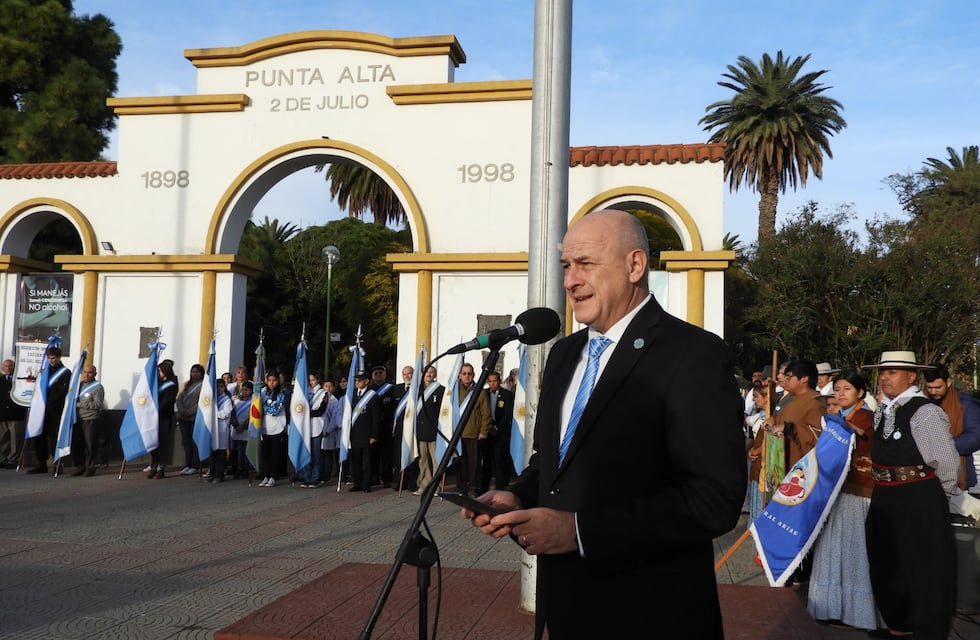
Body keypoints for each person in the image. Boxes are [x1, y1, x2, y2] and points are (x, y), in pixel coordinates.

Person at [463, 209, 746, 638]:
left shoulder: (693, 355)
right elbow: (551, 459)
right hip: (567, 607)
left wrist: (578, 531)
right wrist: (517, 495)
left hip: (651, 614)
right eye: (565, 266)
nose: (569, 281)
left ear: (635, 266)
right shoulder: (564, 354)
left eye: (585, 264)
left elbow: (714, 500)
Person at [862, 350, 959, 639]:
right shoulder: (883, 409)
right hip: (885, 494)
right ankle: (898, 625)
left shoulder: (925, 411)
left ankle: (927, 629)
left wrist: (933, 497)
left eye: (892, 372)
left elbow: (946, 461)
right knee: (887, 560)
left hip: (917, 495)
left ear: (911, 375)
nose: (884, 377)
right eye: (883, 371)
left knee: (922, 564)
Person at [806, 370, 882, 631]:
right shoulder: (839, 417)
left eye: (846, 389)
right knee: (832, 547)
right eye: (837, 389)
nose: (839, 394)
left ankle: (857, 612)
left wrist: (850, 431)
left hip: (859, 491)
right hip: (836, 491)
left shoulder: (868, 418)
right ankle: (831, 606)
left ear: (861, 392)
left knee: (854, 550)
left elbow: (868, 447)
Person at [923, 362, 980, 491]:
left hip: (960, 478)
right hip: (927, 477)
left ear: (948, 382)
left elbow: (976, 437)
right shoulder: (922, 403)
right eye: (929, 388)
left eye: (938, 387)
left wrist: (942, 446)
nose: (933, 392)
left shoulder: (965, 404)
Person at [28, 346, 71, 474]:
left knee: (54, 437)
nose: (51, 361)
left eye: (53, 358)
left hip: (55, 410)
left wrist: (49, 400)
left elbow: (63, 391)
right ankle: (41, 463)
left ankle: (57, 463)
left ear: (58, 358)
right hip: (42, 410)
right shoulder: (44, 372)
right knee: (39, 436)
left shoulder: (65, 372)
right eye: (49, 358)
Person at [455, 362, 491, 497]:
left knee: (474, 464)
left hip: (473, 433)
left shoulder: (479, 392)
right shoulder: (454, 392)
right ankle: (461, 487)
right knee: (460, 462)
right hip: (458, 434)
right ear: (459, 376)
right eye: (464, 374)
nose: (467, 376)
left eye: (469, 373)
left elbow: (485, 413)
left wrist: (483, 431)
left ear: (473, 375)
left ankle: (473, 488)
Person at [481, 370, 514, 492]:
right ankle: (484, 487)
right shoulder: (484, 393)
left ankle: (500, 486)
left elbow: (507, 414)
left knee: (499, 459)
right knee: (487, 460)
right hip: (487, 429)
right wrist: (488, 427)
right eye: (490, 381)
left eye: (494, 381)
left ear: (499, 381)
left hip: (501, 431)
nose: (492, 384)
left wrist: (497, 427)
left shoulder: (507, 395)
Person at [348, 369, 380, 492]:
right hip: (355, 433)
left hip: (367, 434)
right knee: (356, 460)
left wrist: (374, 435)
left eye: (359, 380)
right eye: (356, 380)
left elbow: (376, 418)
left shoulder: (372, 396)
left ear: (366, 381)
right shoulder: (353, 395)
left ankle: (367, 484)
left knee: (367, 462)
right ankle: (357, 483)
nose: (357, 382)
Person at [70, 363, 104, 477]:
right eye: (84, 372)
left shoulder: (98, 387)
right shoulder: (78, 386)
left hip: (90, 419)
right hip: (77, 418)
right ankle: (80, 466)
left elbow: (98, 404)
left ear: (95, 374)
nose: (86, 375)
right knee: (77, 444)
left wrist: (82, 404)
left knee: (90, 444)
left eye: (89, 373)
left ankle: (90, 467)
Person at [414, 365, 444, 495]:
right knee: (423, 460)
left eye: (432, 372)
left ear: (435, 374)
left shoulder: (440, 390)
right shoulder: (416, 389)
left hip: (434, 430)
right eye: (427, 372)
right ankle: (424, 485)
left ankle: (436, 487)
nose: (429, 374)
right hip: (420, 430)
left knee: (436, 460)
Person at [148, 360, 178, 478]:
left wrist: (156, 411)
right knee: (152, 442)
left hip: (164, 416)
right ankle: (153, 464)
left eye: (160, 371)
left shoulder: (171, 384)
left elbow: (167, 401)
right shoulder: (157, 383)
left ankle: (161, 467)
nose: (158, 373)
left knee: (163, 442)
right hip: (152, 417)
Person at [258, 371, 287, 487]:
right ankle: (265, 475)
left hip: (277, 427)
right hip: (264, 427)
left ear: (278, 381)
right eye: (269, 380)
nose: (271, 383)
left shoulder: (282, 393)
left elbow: (276, 410)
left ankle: (273, 476)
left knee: (275, 453)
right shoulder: (263, 392)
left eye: (274, 380)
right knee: (265, 453)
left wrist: (264, 407)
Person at [175, 364, 204, 475]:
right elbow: (179, 398)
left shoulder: (203, 386)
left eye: (197, 372)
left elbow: (201, 402)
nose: (195, 374)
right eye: (193, 371)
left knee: (194, 441)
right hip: (183, 417)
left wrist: (190, 411)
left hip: (194, 417)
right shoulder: (186, 384)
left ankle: (194, 465)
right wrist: (182, 410)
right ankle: (187, 464)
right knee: (186, 442)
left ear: (201, 373)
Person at [369, 364, 396, 488]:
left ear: (385, 374)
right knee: (373, 453)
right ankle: (374, 477)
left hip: (386, 425)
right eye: (376, 373)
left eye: (381, 373)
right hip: (374, 426)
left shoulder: (391, 389)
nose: (378, 375)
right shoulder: (370, 390)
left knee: (386, 454)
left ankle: (386, 478)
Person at [299, 371, 327, 488]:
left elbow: (320, 411)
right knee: (306, 453)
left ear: (318, 380)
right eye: (309, 380)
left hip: (316, 427)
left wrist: (306, 413)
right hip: (305, 428)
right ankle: (307, 476)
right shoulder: (304, 393)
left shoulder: (324, 393)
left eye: (313, 380)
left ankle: (314, 478)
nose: (311, 382)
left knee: (316, 455)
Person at [0, 358, 27, 468]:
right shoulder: (1, 380)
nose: (8, 368)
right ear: (2, 368)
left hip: (16, 413)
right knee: (2, 439)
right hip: (2, 414)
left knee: (15, 440)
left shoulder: (19, 380)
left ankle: (13, 460)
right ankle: (2, 459)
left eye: (10, 366)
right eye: (6, 366)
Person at [319, 379, 343, 483]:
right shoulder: (319, 399)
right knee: (320, 454)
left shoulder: (334, 401)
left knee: (328, 454)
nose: (328, 388)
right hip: (319, 430)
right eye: (325, 386)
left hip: (329, 432)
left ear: (333, 388)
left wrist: (328, 430)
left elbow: (335, 418)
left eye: (330, 386)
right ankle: (320, 474)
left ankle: (326, 476)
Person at [229, 380, 253, 478]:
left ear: (251, 391)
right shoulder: (237, 401)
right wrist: (236, 425)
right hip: (237, 429)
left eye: (246, 390)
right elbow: (233, 415)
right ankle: (239, 468)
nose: (244, 392)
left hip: (246, 430)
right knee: (239, 450)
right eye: (243, 389)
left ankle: (246, 469)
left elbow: (252, 416)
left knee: (246, 450)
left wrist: (243, 426)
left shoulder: (253, 402)